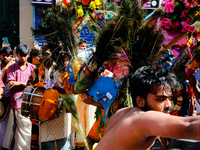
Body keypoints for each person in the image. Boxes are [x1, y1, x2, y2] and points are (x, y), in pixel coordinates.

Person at [95, 65, 200, 150]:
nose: (168, 104)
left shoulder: (122, 113)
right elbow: (189, 127)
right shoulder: (142, 119)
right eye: (161, 99)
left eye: (169, 98)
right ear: (140, 101)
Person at [2, 43, 35, 150]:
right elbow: (11, 84)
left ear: (28, 55)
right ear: (17, 55)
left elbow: (36, 85)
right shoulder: (11, 68)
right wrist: (26, 84)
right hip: (16, 103)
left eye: (25, 55)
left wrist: (19, 84)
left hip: (30, 103)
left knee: (28, 130)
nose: (23, 58)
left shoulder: (33, 68)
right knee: (18, 132)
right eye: (20, 55)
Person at [0, 46, 15, 149]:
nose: (5, 57)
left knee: (6, 127)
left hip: (9, 100)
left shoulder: (12, 67)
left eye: (7, 56)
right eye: (3, 55)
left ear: (11, 56)